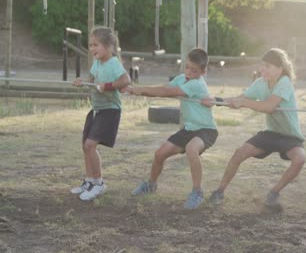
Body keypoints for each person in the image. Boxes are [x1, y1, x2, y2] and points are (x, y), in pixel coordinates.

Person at [207, 48, 306, 207]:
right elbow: (239, 99)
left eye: (267, 66)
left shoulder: (285, 82)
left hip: (290, 136)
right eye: (262, 65)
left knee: (300, 158)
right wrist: (215, 100)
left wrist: (244, 103)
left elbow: (269, 107)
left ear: (280, 68)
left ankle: (274, 193)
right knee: (239, 153)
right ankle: (219, 192)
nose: (262, 69)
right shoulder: (260, 83)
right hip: (271, 133)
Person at [126, 48, 218, 210]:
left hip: (206, 130)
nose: (189, 72)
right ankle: (151, 185)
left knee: (191, 149)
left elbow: (167, 92)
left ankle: (197, 192)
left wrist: (141, 89)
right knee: (159, 154)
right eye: (187, 67)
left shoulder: (197, 84)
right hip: (189, 129)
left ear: (203, 72)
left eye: (194, 70)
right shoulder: (182, 78)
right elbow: (163, 88)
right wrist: (138, 91)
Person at [71, 26, 131, 201]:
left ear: (109, 47)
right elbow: (91, 79)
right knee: (85, 145)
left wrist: (109, 86)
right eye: (90, 45)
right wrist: (82, 82)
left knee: (90, 145)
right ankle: (89, 181)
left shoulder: (113, 63)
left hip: (110, 110)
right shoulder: (97, 63)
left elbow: (125, 80)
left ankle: (99, 184)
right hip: (96, 109)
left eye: (96, 45)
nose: (92, 49)